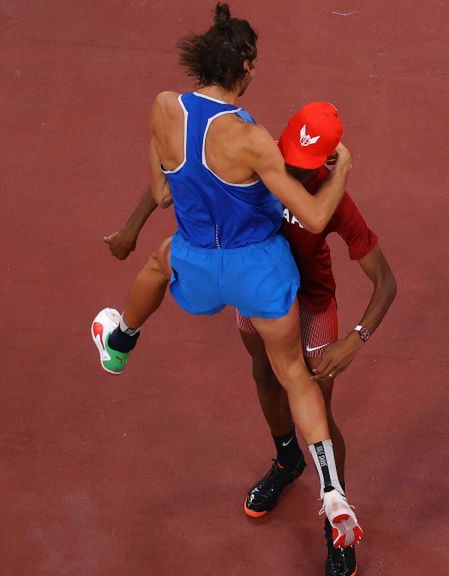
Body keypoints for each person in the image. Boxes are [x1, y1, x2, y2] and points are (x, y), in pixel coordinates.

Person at [90, 3, 363, 550]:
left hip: (196, 260)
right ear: (245, 67)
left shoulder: (164, 109)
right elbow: (311, 216)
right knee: (294, 375)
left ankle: (121, 340)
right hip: (259, 271)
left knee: (158, 260)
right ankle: (331, 491)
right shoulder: (252, 139)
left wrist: (132, 224)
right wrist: (345, 171)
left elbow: (164, 189)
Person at [106, 102, 395, 575]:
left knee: (318, 408)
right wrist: (131, 228)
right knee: (264, 375)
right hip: (256, 293)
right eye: (291, 166)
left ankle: (335, 517)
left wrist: (357, 338)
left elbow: (386, 281)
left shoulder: (336, 202)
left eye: (306, 170)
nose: (294, 178)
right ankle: (287, 462)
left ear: (327, 164)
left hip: (313, 307)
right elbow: (179, 178)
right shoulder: (261, 167)